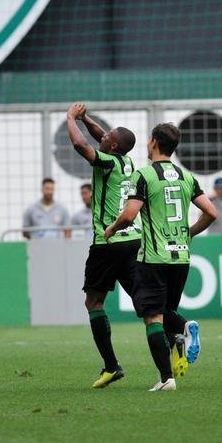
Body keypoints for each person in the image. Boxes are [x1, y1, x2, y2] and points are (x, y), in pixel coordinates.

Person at [105, 123, 217, 392]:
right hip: (181, 259)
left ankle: (168, 375)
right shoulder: (186, 177)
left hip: (154, 257)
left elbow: (130, 214)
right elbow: (211, 213)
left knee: (153, 317)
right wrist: (188, 233)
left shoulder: (143, 175)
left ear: (154, 142)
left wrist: (112, 228)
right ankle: (176, 348)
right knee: (164, 314)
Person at [67, 102, 140, 388]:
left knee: (94, 302)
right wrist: (86, 119)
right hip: (132, 240)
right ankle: (179, 330)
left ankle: (111, 366)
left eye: (108, 136)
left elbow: (80, 145)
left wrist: (71, 118)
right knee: (144, 302)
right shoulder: (127, 162)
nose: (104, 135)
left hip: (107, 242)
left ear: (113, 146)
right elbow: (100, 137)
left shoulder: (107, 162)